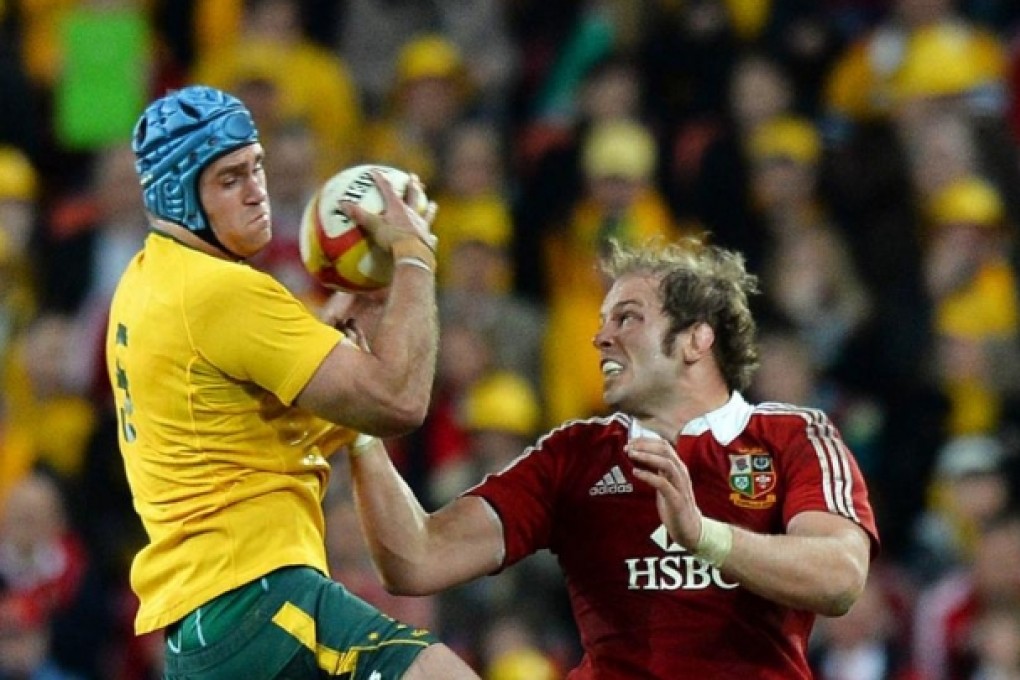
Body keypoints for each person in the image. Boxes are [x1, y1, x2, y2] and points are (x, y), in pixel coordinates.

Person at [346, 235, 880, 678]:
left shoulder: (790, 435)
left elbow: (840, 578)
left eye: (627, 318)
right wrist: (361, 427)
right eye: (603, 321)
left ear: (696, 339)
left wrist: (703, 536)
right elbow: (416, 559)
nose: (600, 338)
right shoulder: (576, 454)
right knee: (421, 669)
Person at [104, 85, 479, 679]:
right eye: (229, 180)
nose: (258, 193)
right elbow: (397, 401)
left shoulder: (146, 284)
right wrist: (413, 256)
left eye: (257, 167)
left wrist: (345, 347)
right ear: (179, 194)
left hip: (207, 626)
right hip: (254, 598)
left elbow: (242, 428)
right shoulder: (221, 292)